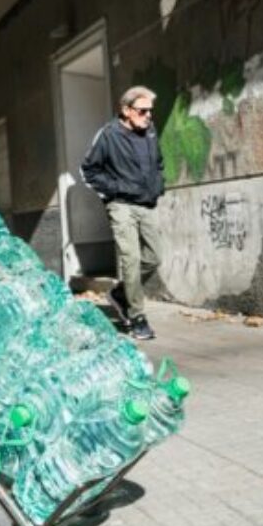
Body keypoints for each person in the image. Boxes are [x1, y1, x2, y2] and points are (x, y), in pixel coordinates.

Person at [80, 85, 165, 341]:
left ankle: (120, 293)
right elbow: (88, 171)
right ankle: (136, 316)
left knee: (155, 257)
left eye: (150, 111)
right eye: (142, 111)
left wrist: (159, 185)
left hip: (146, 203)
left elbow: (159, 163)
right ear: (126, 110)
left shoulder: (150, 131)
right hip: (121, 205)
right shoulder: (108, 135)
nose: (148, 116)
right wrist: (116, 191)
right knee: (131, 258)